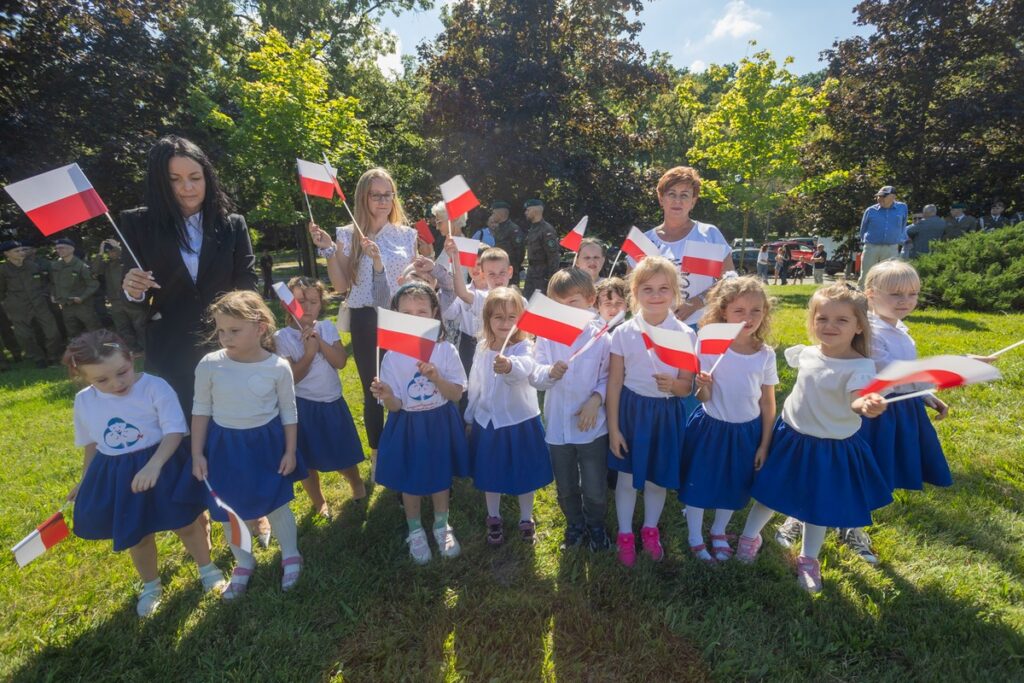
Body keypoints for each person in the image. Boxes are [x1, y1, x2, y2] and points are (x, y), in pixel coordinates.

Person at [735, 283, 891, 593]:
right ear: (812, 320)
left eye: (841, 320)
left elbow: (857, 398)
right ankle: (749, 538)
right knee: (768, 493)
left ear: (859, 325)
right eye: (822, 318)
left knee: (818, 506)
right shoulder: (806, 353)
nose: (829, 326)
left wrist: (867, 404)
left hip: (829, 448)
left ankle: (808, 559)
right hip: (791, 437)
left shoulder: (860, 367)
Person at [63, 330, 223, 616]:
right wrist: (85, 480)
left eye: (122, 372)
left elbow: (174, 430)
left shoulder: (154, 387)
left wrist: (154, 465)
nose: (116, 383)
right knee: (138, 536)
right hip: (118, 475)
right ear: (84, 378)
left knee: (185, 523)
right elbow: (91, 444)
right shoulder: (84, 401)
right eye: (102, 380)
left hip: (163, 462)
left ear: (130, 357)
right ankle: (151, 585)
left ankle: (207, 568)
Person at [120, 135, 258, 417]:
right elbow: (136, 300)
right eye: (175, 179)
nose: (188, 187)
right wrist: (133, 290)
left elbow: (247, 284)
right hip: (171, 350)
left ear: (207, 177)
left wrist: (253, 330)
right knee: (180, 432)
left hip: (227, 346)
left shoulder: (232, 225)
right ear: (160, 182)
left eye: (195, 177)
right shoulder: (137, 224)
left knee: (232, 425)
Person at [190, 291, 306, 600]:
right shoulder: (210, 364)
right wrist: (197, 453)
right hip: (225, 448)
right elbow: (201, 409)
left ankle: (291, 554)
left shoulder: (278, 366)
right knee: (230, 510)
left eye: (234, 330)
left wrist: (290, 450)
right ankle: (244, 562)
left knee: (277, 502)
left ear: (261, 327)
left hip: (266, 444)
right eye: (221, 330)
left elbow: (288, 411)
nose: (225, 337)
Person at [309, 167, 418, 479]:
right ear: (363, 197)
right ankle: (378, 454)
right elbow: (342, 286)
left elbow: (411, 282)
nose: (383, 201)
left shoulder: (406, 235)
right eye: (376, 195)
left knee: (403, 382)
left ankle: (405, 445)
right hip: (365, 318)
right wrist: (329, 251)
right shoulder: (347, 234)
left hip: (401, 318)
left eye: (388, 194)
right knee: (375, 387)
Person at [680, 277, 777, 563]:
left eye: (756, 311)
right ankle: (695, 536)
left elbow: (767, 402)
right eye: (739, 311)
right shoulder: (710, 345)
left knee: (734, 484)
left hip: (746, 432)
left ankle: (719, 531)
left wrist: (764, 443)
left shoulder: (765, 355)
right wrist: (703, 383)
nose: (748, 318)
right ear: (724, 312)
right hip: (711, 428)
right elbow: (702, 397)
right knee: (700, 483)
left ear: (765, 312)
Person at [371, 283, 469, 563]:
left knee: (440, 476)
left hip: (439, 423)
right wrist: (388, 395)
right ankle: (415, 530)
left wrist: (437, 378)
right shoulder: (390, 357)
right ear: (397, 315)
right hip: (408, 425)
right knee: (410, 480)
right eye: (407, 312)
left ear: (434, 313)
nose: (415, 317)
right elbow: (396, 406)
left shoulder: (446, 350)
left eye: (422, 311)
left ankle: (441, 524)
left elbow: (455, 394)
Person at [607, 256, 694, 567]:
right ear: (635, 291)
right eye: (647, 289)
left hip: (666, 414)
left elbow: (687, 387)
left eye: (663, 289)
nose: (656, 296)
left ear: (675, 293)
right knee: (628, 478)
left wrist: (674, 384)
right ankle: (625, 534)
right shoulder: (624, 332)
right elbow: (615, 383)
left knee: (657, 479)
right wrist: (614, 428)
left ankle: (650, 529)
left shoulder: (684, 334)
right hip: (632, 412)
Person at [531, 268, 612, 551]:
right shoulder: (548, 335)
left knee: (594, 486)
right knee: (565, 486)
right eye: (559, 304)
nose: (566, 310)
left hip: (591, 428)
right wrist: (549, 373)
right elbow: (535, 372)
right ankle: (574, 525)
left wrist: (596, 399)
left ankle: (596, 525)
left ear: (590, 299)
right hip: (558, 427)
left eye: (573, 303)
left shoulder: (601, 336)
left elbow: (608, 376)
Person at [466, 287, 553, 545]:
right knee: (490, 473)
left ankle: (526, 518)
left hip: (519, 421)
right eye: (498, 318)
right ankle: (493, 516)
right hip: (488, 422)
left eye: (511, 317)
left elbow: (525, 369)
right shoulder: (482, 347)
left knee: (524, 473)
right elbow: (476, 383)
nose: (505, 324)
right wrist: (470, 416)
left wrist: (509, 366)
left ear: (521, 319)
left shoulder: (524, 346)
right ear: (487, 320)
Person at [273, 277, 366, 518]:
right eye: (299, 301)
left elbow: (341, 361)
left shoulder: (326, 327)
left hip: (332, 403)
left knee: (343, 453)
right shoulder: (281, 338)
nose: (307, 307)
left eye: (313, 302)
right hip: (303, 408)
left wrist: (319, 342)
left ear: (321, 305)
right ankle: (318, 500)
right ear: (286, 304)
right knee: (308, 461)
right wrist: (309, 354)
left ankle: (356, 483)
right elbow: (291, 378)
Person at [643, 167, 734, 327]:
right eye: (671, 194)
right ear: (661, 199)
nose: (677, 201)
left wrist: (696, 302)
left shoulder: (708, 234)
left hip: (702, 325)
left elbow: (729, 279)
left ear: (693, 201)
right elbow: (631, 287)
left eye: (684, 195)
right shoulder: (645, 240)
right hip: (654, 326)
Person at [0, 239, 63, 367]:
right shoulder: (3, 270)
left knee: (52, 332)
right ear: (7, 254)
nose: (21, 252)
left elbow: (45, 282)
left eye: (22, 250)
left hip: (39, 304)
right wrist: (9, 303)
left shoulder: (33, 266)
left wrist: (47, 294)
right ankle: (38, 358)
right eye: (16, 251)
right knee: (24, 336)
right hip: (18, 308)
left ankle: (53, 357)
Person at [92, 239, 147, 351]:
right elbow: (95, 270)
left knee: (140, 324)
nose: (112, 253)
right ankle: (132, 349)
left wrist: (118, 247)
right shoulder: (107, 265)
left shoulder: (126, 261)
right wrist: (100, 253)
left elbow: (129, 258)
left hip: (130, 299)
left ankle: (147, 346)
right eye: (109, 251)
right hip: (115, 301)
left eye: (113, 250)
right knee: (123, 327)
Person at [858, 185, 909, 287]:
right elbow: (863, 229)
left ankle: (884, 300)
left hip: (891, 248)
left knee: (889, 276)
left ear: (893, 197)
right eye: (878, 196)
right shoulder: (870, 210)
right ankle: (863, 299)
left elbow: (903, 224)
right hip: (871, 247)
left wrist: (900, 240)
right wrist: (864, 243)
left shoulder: (902, 208)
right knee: (866, 275)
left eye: (883, 196)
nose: (879, 199)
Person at [51, 237, 102, 337]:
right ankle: (78, 351)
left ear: (71, 249)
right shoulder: (56, 266)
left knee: (93, 329)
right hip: (66, 305)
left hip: (82, 305)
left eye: (62, 248)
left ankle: (102, 350)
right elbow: (53, 283)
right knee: (72, 332)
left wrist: (82, 297)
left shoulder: (81, 266)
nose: (59, 250)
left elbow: (93, 284)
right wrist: (53, 294)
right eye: (57, 248)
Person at [522, 199, 561, 298]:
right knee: (527, 301)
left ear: (535, 211)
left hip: (542, 276)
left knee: (539, 303)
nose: (525, 213)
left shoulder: (546, 230)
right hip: (532, 272)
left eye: (528, 210)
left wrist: (551, 278)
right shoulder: (533, 229)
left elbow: (553, 256)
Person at [489, 200, 525, 284]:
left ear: (500, 214)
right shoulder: (498, 229)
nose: (492, 216)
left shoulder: (513, 229)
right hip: (498, 269)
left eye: (494, 213)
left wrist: (513, 266)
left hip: (510, 271)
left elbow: (520, 252)